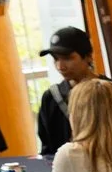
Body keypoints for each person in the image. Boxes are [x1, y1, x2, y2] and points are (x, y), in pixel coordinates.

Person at [33, 25, 99, 157]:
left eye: (67, 58)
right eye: (56, 59)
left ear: (88, 56)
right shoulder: (51, 98)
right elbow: (48, 150)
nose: (60, 66)